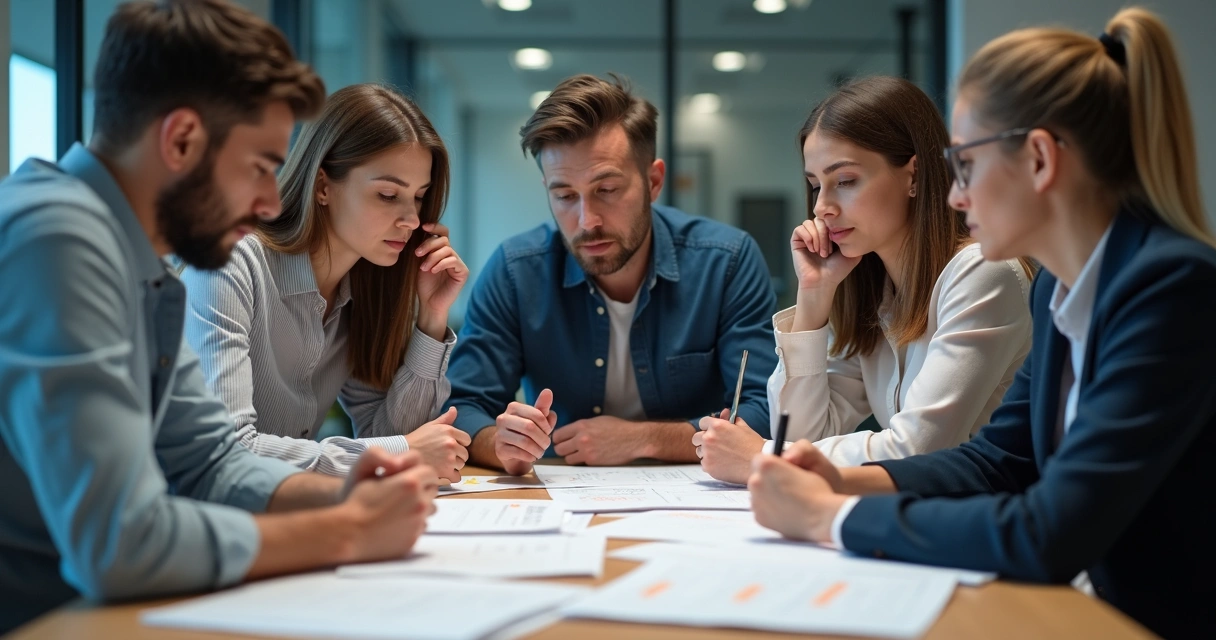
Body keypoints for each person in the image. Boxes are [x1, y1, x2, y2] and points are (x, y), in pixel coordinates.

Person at [747, 8, 1216, 638]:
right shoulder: (1059, 286)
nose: (955, 195)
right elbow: (998, 461)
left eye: (965, 165)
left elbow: (1051, 531)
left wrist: (830, 518)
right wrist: (841, 480)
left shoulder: (1171, 289)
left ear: (1040, 159)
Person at [0, 1, 438, 632]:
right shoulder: (57, 239)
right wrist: (346, 530)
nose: (269, 201)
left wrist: (346, 494)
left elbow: (210, 462)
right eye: (261, 167)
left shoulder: (140, 261)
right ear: (181, 140)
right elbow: (121, 542)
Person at [695, 76, 1033, 485]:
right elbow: (806, 434)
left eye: (845, 181)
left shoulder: (983, 272)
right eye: (815, 186)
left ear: (914, 175)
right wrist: (814, 294)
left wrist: (762, 455)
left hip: (985, 512)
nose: (822, 207)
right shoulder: (876, 288)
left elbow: (919, 450)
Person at [444, 74, 778, 475]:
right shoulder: (517, 271)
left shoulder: (726, 261)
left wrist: (644, 439)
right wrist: (500, 444)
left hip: (703, 492)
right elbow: (462, 408)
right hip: (562, 491)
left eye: (607, 190)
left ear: (653, 181)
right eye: (565, 195)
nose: (587, 220)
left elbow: (765, 412)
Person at [182, 84, 471, 482]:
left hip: (288, 511)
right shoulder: (227, 265)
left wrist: (432, 317)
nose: (411, 220)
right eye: (388, 195)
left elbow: (395, 435)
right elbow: (227, 452)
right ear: (322, 187)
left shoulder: (367, 288)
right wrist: (401, 452)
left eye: (419, 197)